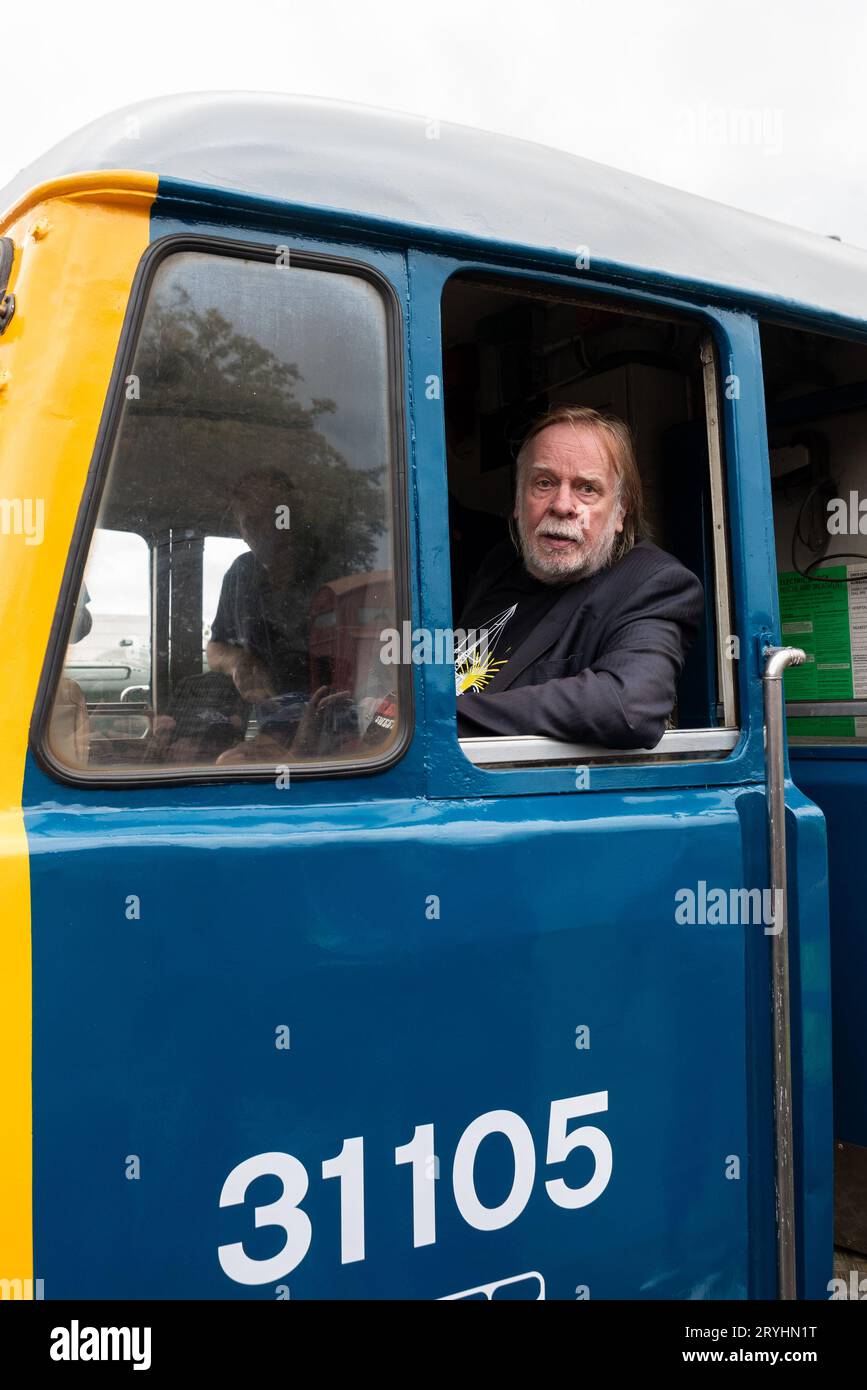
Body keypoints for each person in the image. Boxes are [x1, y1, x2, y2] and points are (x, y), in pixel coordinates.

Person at [455, 405, 704, 749]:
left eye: (587, 489)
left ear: (620, 511)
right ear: (517, 499)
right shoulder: (498, 565)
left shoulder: (655, 583)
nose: (562, 504)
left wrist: (436, 720)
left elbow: (628, 705)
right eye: (544, 483)